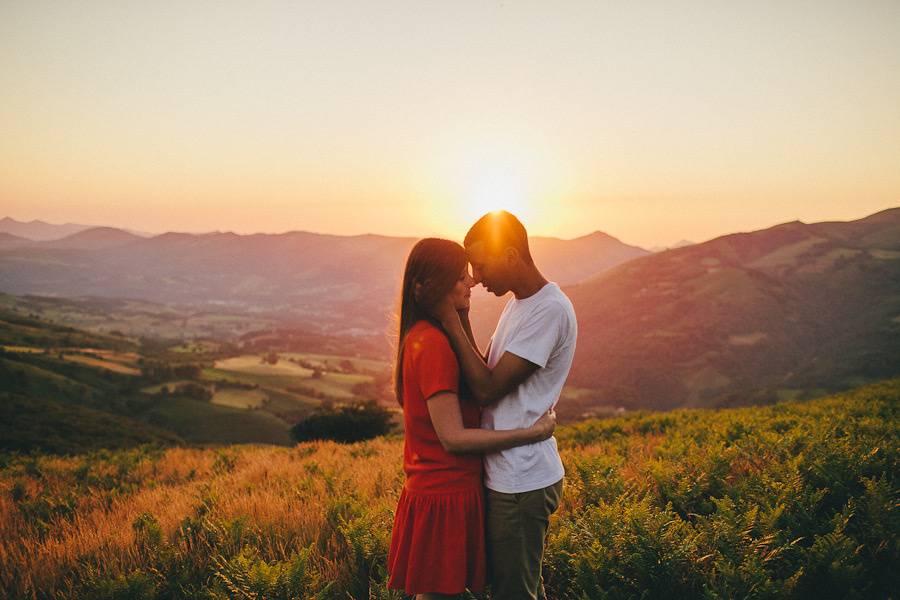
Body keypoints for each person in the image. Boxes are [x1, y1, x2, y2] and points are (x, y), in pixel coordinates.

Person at [387, 237, 558, 600]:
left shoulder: (429, 337)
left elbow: (477, 374)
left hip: (445, 491)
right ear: (432, 286)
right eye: (461, 275)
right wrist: (529, 433)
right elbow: (453, 437)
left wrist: (458, 318)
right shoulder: (432, 345)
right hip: (445, 496)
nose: (473, 281)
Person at [435, 211, 578, 600]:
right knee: (523, 587)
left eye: (481, 264)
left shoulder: (549, 310)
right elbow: (485, 369)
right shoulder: (521, 304)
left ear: (512, 255)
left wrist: (450, 320)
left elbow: (486, 389)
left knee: (514, 594)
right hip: (512, 472)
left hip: (521, 478)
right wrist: (464, 316)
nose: (476, 276)